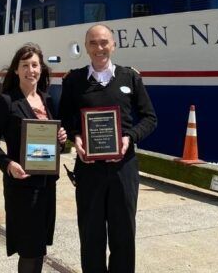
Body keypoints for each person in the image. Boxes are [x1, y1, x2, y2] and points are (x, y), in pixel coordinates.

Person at [60, 24, 157, 273]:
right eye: (93, 43)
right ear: (86, 47)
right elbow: (65, 120)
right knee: (91, 236)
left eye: (104, 42)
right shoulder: (74, 81)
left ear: (113, 45)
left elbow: (149, 118)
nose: (99, 48)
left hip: (123, 169)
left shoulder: (130, 77)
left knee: (123, 236)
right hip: (89, 170)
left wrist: (130, 138)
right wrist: (76, 138)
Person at [0, 43, 68, 273]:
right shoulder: (7, 101)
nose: (31, 70)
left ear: (41, 69)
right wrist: (8, 164)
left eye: (35, 65)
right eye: (25, 65)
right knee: (29, 249)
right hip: (22, 186)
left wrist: (61, 139)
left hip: (46, 185)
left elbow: (53, 145)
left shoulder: (47, 100)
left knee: (39, 247)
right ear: (16, 70)